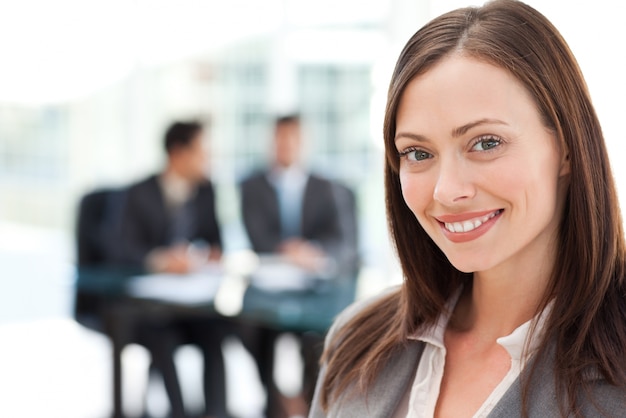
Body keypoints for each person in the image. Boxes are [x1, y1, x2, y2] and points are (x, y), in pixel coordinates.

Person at [309, 1, 626, 417]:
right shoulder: (355, 341)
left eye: (486, 142)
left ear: (566, 147)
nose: (447, 190)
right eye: (418, 152)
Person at [239, 114, 359, 417]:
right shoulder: (251, 186)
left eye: (292, 139)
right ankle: (276, 401)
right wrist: (286, 250)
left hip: (315, 284)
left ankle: (309, 403)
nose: (285, 146)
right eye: (279, 139)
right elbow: (257, 237)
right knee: (249, 327)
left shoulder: (327, 186)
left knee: (318, 337)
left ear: (303, 143)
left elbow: (343, 241)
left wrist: (313, 252)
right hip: (270, 285)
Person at [115, 120, 228, 418]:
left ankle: (216, 413)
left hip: (191, 304)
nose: (208, 160)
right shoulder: (139, 193)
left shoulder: (205, 190)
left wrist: (206, 256)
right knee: (160, 334)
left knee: (216, 331)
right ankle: (179, 413)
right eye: (202, 152)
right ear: (178, 153)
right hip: (148, 310)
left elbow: (217, 244)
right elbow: (120, 248)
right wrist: (161, 260)